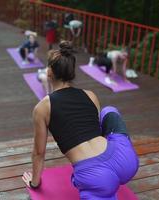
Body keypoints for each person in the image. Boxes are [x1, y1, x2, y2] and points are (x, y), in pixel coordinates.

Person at [22, 41, 139, 199]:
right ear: (71, 73)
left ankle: (107, 186)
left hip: (96, 178)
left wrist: (34, 183)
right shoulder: (90, 95)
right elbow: (98, 130)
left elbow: (38, 153)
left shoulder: (42, 108)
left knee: (102, 184)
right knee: (109, 111)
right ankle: (111, 178)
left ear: (49, 72)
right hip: (126, 160)